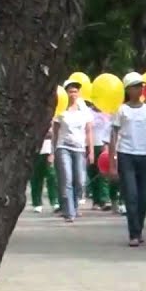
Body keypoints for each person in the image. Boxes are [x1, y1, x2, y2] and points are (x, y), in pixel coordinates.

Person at [108, 75, 146, 247]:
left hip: (145, 156)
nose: (138, 89)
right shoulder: (122, 110)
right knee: (131, 195)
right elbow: (113, 137)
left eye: (140, 86)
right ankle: (133, 233)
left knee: (143, 197)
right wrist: (112, 164)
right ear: (127, 90)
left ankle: (138, 229)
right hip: (126, 155)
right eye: (134, 86)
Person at [51, 80, 95, 223]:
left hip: (79, 148)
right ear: (66, 93)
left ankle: (74, 206)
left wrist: (91, 150)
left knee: (80, 181)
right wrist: (52, 152)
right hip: (63, 147)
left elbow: (89, 131)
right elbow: (55, 133)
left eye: (75, 91)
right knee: (67, 180)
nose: (73, 94)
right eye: (70, 91)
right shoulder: (60, 110)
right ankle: (69, 212)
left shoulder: (84, 111)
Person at [30, 128, 59, 214]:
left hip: (48, 150)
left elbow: (55, 134)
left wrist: (53, 153)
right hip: (35, 151)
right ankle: (37, 203)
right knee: (36, 178)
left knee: (51, 176)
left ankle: (54, 200)